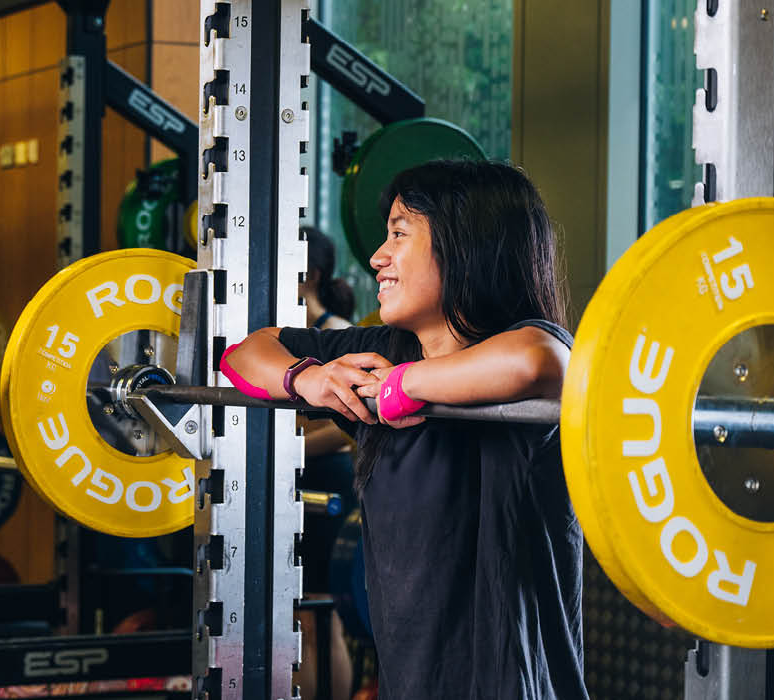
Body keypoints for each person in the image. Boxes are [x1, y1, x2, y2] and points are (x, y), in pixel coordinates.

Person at [224, 160, 583, 698]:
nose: (377, 258)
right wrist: (309, 380)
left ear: (467, 246)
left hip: (512, 683)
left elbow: (540, 361)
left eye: (398, 234)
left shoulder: (521, 342)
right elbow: (245, 354)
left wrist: (406, 386)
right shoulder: (379, 353)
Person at [294, 227, 357, 700]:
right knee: (299, 613)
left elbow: (348, 427)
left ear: (310, 274)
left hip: (329, 482)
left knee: (319, 612)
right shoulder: (293, 338)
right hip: (297, 478)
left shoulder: (336, 334)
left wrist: (292, 446)